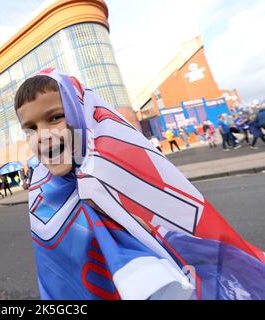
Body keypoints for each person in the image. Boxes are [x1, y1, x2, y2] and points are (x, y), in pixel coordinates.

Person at [14, 69, 265, 300]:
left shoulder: (116, 173)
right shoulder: (41, 195)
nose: (43, 134)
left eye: (56, 117)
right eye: (31, 128)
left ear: (80, 114)